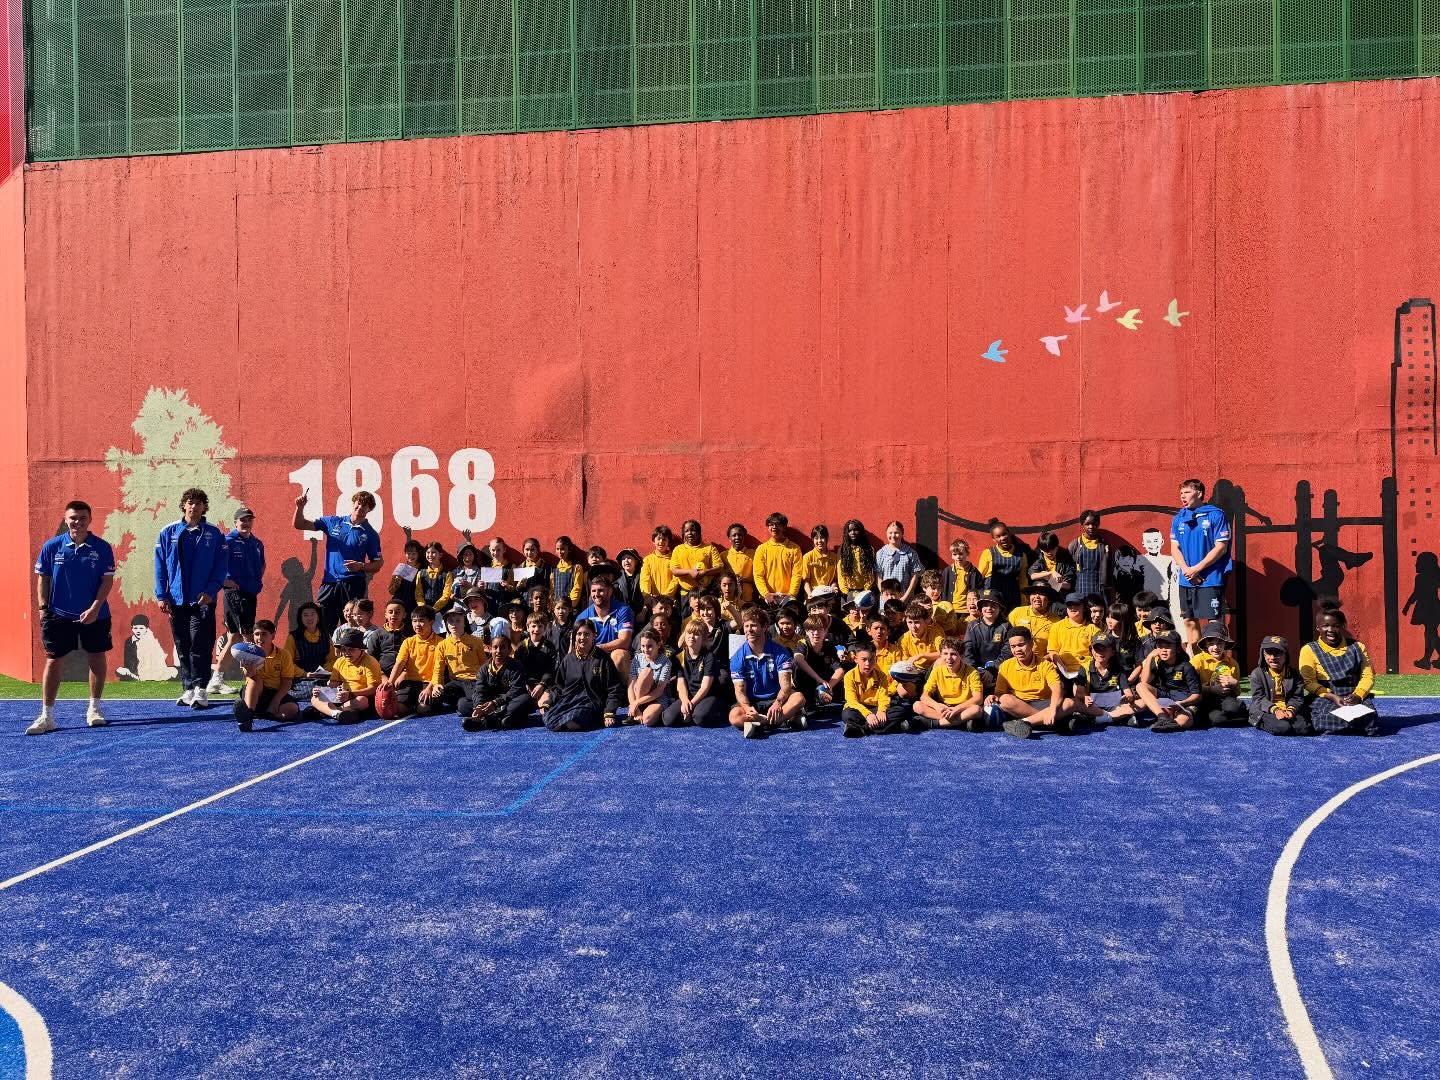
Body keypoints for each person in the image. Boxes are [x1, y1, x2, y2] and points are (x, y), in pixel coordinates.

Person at [28, 500, 117, 735]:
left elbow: (107, 581)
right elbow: (43, 578)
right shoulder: (52, 546)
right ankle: (47, 716)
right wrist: (43, 609)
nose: (77, 522)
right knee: (53, 661)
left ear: (90, 520)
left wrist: (96, 608)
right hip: (58, 615)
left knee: (97, 658)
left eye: (82, 518)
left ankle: (94, 709)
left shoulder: (102, 547)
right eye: (73, 518)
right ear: (66, 519)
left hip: (96, 615)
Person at [154, 488, 229, 709]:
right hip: (176, 600)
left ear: (204, 507)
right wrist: (161, 594)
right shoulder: (168, 532)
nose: (194, 506)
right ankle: (187, 687)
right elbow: (160, 566)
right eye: (190, 502)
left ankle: (201, 688)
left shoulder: (215, 534)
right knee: (182, 644)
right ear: (183, 505)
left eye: (198, 503)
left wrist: (211, 591)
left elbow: (220, 568)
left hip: (202, 600)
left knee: (200, 644)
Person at [293, 488, 383, 639]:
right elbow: (300, 524)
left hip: (353, 583)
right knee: (323, 624)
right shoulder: (333, 522)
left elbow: (378, 564)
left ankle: (348, 660)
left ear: (369, 510)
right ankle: (326, 660)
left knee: (351, 625)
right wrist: (300, 507)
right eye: (358, 504)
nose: (360, 508)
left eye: (365, 506)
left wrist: (361, 566)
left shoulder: (370, 534)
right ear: (353, 503)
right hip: (330, 583)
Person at [1170, 479, 1233, 648]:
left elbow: (1221, 547)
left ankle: (1215, 666)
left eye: (1187, 492)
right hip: (1186, 578)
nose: (1183, 496)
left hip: (1210, 578)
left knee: (1214, 623)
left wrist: (1197, 569)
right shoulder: (1178, 518)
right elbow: (1174, 548)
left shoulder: (1216, 515)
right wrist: (1186, 570)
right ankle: (1198, 665)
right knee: (1189, 620)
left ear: (1199, 494)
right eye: (1181, 493)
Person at [210, 505, 264, 697]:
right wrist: (223, 580)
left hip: (250, 594)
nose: (246, 523)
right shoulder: (228, 541)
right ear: (235, 522)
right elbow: (213, 563)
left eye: (249, 519)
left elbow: (262, 565)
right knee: (247, 635)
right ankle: (253, 679)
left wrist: (256, 582)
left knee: (234, 637)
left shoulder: (257, 543)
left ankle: (216, 678)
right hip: (235, 595)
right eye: (242, 520)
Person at [1298, 610, 1380, 735]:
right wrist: (1332, 696)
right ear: (1318, 627)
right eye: (1325, 626)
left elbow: (1368, 676)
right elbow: (1308, 682)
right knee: (1328, 718)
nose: (1330, 630)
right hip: (1326, 697)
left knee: (1371, 719)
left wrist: (1358, 695)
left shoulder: (1358, 647)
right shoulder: (1309, 649)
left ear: (1342, 627)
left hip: (1353, 696)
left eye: (1336, 626)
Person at [729, 605, 805, 738]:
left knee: (798, 698)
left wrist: (778, 703)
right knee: (734, 717)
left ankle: (759, 723)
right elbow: (739, 690)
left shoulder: (780, 652)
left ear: (764, 627)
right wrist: (747, 708)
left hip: (776, 699)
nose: (749, 630)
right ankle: (782, 720)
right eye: (746, 626)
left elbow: (786, 686)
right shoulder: (737, 657)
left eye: (753, 625)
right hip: (752, 702)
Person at [544, 621, 626, 732]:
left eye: (587, 634)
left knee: (574, 719)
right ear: (574, 636)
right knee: (548, 718)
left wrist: (609, 712)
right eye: (579, 634)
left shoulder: (603, 659)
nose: (582, 637)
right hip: (569, 702)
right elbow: (559, 687)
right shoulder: (568, 659)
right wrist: (548, 700)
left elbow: (614, 688)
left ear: (594, 635)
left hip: (593, 704)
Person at [990, 627, 1067, 739]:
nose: (1017, 650)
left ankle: (1026, 722)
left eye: (1021, 645)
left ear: (1031, 644)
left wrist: (1052, 709)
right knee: (1005, 700)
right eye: (1013, 646)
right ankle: (1049, 722)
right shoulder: (1005, 666)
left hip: (1044, 703)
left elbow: (1057, 688)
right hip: (1019, 705)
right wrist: (993, 696)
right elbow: (1000, 693)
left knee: (1069, 702)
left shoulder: (1045, 665)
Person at [232, 620, 302, 732]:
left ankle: (264, 713)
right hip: (255, 692)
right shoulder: (247, 653)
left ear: (273, 635)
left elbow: (287, 681)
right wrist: (249, 669)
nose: (259, 638)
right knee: (255, 679)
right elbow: (248, 676)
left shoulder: (284, 654)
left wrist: (276, 700)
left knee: (292, 710)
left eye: (264, 634)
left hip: (275, 693)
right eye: (257, 634)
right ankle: (248, 717)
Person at [380, 606, 444, 717]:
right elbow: (399, 663)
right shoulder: (408, 642)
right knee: (398, 710)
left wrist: (430, 688)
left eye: (421, 621)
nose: (417, 625)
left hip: (429, 683)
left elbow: (439, 669)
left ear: (431, 622)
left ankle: (426, 703)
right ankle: (412, 702)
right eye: (414, 621)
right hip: (411, 682)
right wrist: (390, 683)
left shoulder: (441, 643)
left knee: (423, 709)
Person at [461, 632, 532, 731]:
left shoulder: (516, 666)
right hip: (489, 702)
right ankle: (500, 719)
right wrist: (479, 706)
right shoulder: (484, 668)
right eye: (495, 647)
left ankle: (486, 720)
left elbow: (517, 689)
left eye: (503, 647)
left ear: (509, 650)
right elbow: (480, 689)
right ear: (490, 649)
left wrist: (496, 703)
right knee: (463, 703)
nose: (498, 651)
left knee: (526, 699)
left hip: (506, 701)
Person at [1135, 631, 1203, 732]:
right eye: (1160, 647)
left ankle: (1170, 720)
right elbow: (1144, 682)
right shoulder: (1161, 664)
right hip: (1168, 700)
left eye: (1167, 647)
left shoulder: (1187, 666)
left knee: (1183, 721)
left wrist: (1181, 703)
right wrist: (1149, 658)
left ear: (1178, 649)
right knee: (1140, 687)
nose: (1163, 650)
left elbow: (1197, 696)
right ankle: (1163, 717)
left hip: (1185, 703)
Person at [913, 637, 984, 731]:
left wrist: (957, 709)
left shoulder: (972, 672)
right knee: (917, 705)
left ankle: (934, 723)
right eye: (945, 654)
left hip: (963, 708)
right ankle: (960, 722)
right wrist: (937, 706)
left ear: (961, 656)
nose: (949, 658)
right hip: (944, 707)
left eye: (953, 654)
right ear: (941, 655)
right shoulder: (937, 670)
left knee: (976, 710)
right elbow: (924, 696)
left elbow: (978, 698)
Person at [311, 628, 382, 722]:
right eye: (343, 649)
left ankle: (325, 711)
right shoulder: (340, 661)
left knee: (362, 701)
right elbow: (333, 685)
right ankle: (337, 713)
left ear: (360, 649)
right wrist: (322, 692)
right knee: (314, 698)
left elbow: (373, 689)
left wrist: (351, 694)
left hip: (361, 698)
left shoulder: (370, 662)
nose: (346, 653)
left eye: (351, 649)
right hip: (342, 697)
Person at [665, 618, 725, 727]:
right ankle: (689, 713)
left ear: (704, 639)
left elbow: (705, 687)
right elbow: (681, 684)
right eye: (689, 633)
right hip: (689, 694)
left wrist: (691, 705)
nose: (691, 637)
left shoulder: (709, 657)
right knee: (668, 719)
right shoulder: (680, 656)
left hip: (706, 695)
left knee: (700, 718)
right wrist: (685, 701)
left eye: (696, 634)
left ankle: (714, 711)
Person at [430, 608, 486, 717]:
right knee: (435, 697)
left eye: (458, 620)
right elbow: (438, 668)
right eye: (450, 621)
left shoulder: (476, 641)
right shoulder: (442, 645)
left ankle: (476, 707)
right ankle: (464, 703)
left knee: (467, 703)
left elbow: (484, 665)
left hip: (472, 680)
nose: (454, 624)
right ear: (446, 624)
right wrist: (436, 684)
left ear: (464, 622)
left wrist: (483, 683)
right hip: (455, 682)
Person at [1248, 636, 1310, 735]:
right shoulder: (1257, 674)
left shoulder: (1294, 674)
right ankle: (1259, 721)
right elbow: (1258, 699)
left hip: (1287, 708)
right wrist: (1275, 710)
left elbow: (1297, 697)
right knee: (1283, 727)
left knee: (1304, 728)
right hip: (1266, 709)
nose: (1273, 657)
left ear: (1286, 655)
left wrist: (1291, 709)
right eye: (1269, 653)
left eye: (1278, 653)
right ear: (1263, 654)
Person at [575, 575, 635, 674]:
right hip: (592, 657)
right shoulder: (583, 617)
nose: (596, 594)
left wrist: (595, 648)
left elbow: (625, 642)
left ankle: (626, 689)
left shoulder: (623, 610)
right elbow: (576, 645)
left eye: (601, 590)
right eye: (593, 591)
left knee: (619, 655)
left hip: (613, 655)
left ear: (610, 591)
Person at [840, 642, 903, 738]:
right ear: (855, 659)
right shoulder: (849, 676)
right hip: (859, 708)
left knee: (900, 710)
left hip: (876, 707)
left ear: (876, 659)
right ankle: (886, 727)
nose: (868, 664)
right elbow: (852, 701)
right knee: (847, 714)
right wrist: (868, 714)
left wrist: (882, 711)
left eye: (871, 659)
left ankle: (862, 729)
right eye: (864, 659)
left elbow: (884, 697)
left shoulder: (881, 676)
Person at [1070, 634, 1136, 725]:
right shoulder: (1085, 667)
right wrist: (1085, 697)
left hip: (1114, 706)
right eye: (1097, 648)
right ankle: (1115, 717)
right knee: (1074, 703)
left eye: (1104, 648)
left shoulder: (1119, 669)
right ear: (1092, 650)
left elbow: (1128, 692)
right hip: (1093, 706)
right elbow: (1079, 692)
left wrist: (1128, 697)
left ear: (1112, 652)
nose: (1100, 652)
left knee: (1140, 704)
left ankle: (1097, 718)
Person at [1192, 621, 1247, 726]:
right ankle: (1240, 717)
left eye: (1220, 643)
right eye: (1211, 643)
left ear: (1225, 644)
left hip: (1225, 698)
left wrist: (1234, 683)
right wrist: (1211, 689)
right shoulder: (1197, 661)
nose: (1216, 647)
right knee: (1217, 719)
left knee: (1232, 708)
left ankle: (1239, 712)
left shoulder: (1232, 663)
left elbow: (1237, 693)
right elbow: (1191, 688)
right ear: (1205, 645)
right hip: (1204, 699)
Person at [791, 613, 844, 717]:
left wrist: (827, 687)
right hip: (806, 680)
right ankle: (806, 700)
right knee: (796, 665)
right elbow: (798, 659)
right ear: (806, 631)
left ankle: (821, 696)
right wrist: (819, 679)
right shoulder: (803, 643)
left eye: (820, 629)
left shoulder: (829, 646)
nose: (816, 633)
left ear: (825, 631)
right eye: (812, 630)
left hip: (822, 682)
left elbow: (839, 670)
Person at [962, 590, 1012, 695]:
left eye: (993, 605)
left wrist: (992, 669)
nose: (989, 608)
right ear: (980, 607)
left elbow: (1007, 653)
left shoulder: (1006, 626)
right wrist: (975, 671)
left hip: (999, 672)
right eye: (985, 605)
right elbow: (967, 651)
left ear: (1000, 607)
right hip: (976, 672)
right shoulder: (972, 626)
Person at [977, 520, 1029, 612]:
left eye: (1004, 534)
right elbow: (979, 578)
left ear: (1009, 533)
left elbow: (1023, 580)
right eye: (998, 536)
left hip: (1013, 598)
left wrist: (1024, 601)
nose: (1003, 538)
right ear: (994, 540)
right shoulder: (988, 553)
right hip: (993, 599)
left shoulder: (1021, 555)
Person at [627, 629, 675, 727]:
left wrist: (636, 703)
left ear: (658, 644)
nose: (645, 650)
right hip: (639, 697)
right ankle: (638, 710)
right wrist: (634, 705)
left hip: (657, 698)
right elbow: (631, 685)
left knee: (647, 720)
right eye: (643, 646)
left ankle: (641, 711)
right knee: (646, 672)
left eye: (649, 646)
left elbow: (659, 691)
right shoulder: (637, 658)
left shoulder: (666, 662)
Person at [753, 513, 802, 607]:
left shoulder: (794, 549)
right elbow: (758, 575)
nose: (774, 527)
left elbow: (797, 574)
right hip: (767, 599)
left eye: (778, 524)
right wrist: (766, 594)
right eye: (771, 524)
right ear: (768, 528)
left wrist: (791, 595)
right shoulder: (762, 549)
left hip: (788, 599)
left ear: (784, 527)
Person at [670, 519, 724, 601]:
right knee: (687, 614)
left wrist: (705, 572)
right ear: (683, 534)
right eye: (686, 531)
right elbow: (674, 570)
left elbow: (720, 567)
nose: (690, 533)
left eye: (693, 530)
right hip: (686, 593)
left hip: (706, 591)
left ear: (698, 532)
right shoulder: (678, 549)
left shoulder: (709, 548)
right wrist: (690, 572)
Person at [874, 521, 923, 602]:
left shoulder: (910, 553)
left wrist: (905, 597)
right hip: (887, 600)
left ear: (902, 533)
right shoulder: (880, 553)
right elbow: (878, 577)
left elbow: (915, 577)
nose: (893, 535)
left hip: (905, 599)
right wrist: (885, 596)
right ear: (886, 533)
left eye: (896, 533)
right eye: (890, 532)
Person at [517, 612, 558, 707]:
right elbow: (518, 669)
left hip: (544, 684)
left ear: (545, 628)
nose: (536, 629)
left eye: (540, 626)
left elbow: (550, 670)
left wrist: (542, 685)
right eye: (533, 626)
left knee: (545, 703)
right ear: (527, 627)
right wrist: (524, 684)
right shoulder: (522, 646)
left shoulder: (549, 646)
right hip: (525, 684)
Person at [283, 601, 335, 675]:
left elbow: (331, 660)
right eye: (305, 615)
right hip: (300, 679)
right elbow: (287, 662)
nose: (309, 618)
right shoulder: (293, 637)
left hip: (322, 677)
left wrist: (323, 671)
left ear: (318, 617)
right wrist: (304, 673)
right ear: (300, 618)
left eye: (313, 614)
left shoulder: (326, 636)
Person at [1008, 583, 1061, 656]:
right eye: (1034, 593)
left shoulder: (1057, 621)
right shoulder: (1017, 612)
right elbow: (1006, 640)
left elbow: (1056, 649)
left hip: (1043, 663)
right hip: (1015, 659)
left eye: (1042, 594)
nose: (1037, 597)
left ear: (1049, 599)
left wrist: (1039, 661)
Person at [1069, 510, 1110, 601]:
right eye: (1087, 524)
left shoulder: (1103, 545)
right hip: (1079, 586)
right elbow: (1069, 567)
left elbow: (1108, 567)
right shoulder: (1075, 544)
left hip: (1098, 587)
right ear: (1082, 524)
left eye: (1094, 524)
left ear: (1098, 524)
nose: (1091, 527)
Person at [836, 519, 877, 602]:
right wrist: (846, 592)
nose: (853, 533)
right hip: (847, 592)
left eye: (855, 530)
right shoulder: (842, 550)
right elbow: (840, 573)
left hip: (865, 591)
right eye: (850, 530)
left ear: (861, 532)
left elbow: (871, 572)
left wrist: (865, 590)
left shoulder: (869, 549)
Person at [795, 524, 839, 600]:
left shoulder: (834, 557)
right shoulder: (807, 557)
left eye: (822, 538)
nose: (819, 541)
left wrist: (833, 588)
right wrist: (810, 594)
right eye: (816, 538)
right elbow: (806, 581)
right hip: (813, 596)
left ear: (827, 538)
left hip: (828, 595)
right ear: (812, 539)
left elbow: (834, 579)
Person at [368, 600, 411, 676]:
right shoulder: (377, 634)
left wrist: (404, 673)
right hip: (381, 674)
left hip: (405, 674)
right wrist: (381, 675)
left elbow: (414, 657)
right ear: (386, 615)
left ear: (404, 615)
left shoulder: (409, 633)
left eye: (397, 612)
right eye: (390, 612)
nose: (393, 615)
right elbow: (371, 658)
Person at [639, 526, 679, 606]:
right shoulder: (647, 560)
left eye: (664, 539)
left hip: (670, 601)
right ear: (653, 541)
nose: (661, 542)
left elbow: (676, 579)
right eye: (658, 539)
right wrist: (647, 596)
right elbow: (645, 579)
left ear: (668, 542)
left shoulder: (674, 559)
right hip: (653, 601)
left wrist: (666, 595)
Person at [898, 601, 944, 672]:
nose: (913, 626)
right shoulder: (904, 638)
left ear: (925, 622)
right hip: (914, 670)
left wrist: (921, 655)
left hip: (933, 668)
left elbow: (943, 652)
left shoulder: (936, 632)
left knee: (941, 661)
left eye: (917, 622)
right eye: (910, 622)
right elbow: (905, 661)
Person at [1029, 532, 1077, 597]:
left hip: (1060, 597)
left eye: (1052, 549)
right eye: (1046, 550)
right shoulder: (1039, 559)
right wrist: (1051, 573)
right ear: (1041, 550)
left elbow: (1068, 585)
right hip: (1043, 597)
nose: (1049, 553)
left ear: (1057, 547)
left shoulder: (1065, 561)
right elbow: (1033, 576)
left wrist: (1050, 581)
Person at [942, 538, 981, 609]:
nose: (958, 557)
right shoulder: (947, 571)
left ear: (967, 553)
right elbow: (943, 590)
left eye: (961, 554)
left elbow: (979, 591)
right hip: (951, 610)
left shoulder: (974, 572)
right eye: (955, 554)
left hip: (968, 610)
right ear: (952, 556)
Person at [723, 523, 757, 602]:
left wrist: (745, 579)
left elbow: (759, 576)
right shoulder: (724, 556)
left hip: (748, 598)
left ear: (744, 537)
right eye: (734, 535)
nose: (737, 537)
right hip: (729, 600)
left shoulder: (753, 554)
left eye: (740, 535)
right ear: (729, 538)